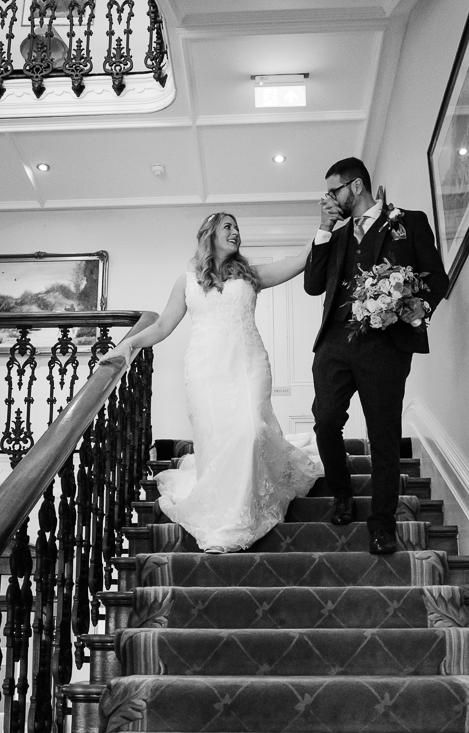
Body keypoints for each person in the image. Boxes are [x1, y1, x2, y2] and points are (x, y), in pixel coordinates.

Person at [102, 213, 322, 552]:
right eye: (228, 227)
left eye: (237, 228)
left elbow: (299, 261)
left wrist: (324, 225)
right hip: (205, 371)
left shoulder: (251, 275)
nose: (236, 233)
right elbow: (161, 327)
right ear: (210, 234)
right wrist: (127, 345)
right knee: (219, 439)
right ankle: (225, 514)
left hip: (249, 364)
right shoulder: (186, 281)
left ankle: (246, 511)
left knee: (251, 431)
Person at [305, 157, 449, 555]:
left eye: (333, 191)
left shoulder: (410, 222)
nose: (328, 199)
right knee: (325, 420)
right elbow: (313, 286)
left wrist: (407, 310)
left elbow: (437, 280)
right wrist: (322, 229)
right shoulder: (333, 237)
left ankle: (382, 523)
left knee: (383, 435)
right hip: (335, 343)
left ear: (354, 187)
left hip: (385, 346)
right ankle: (342, 494)